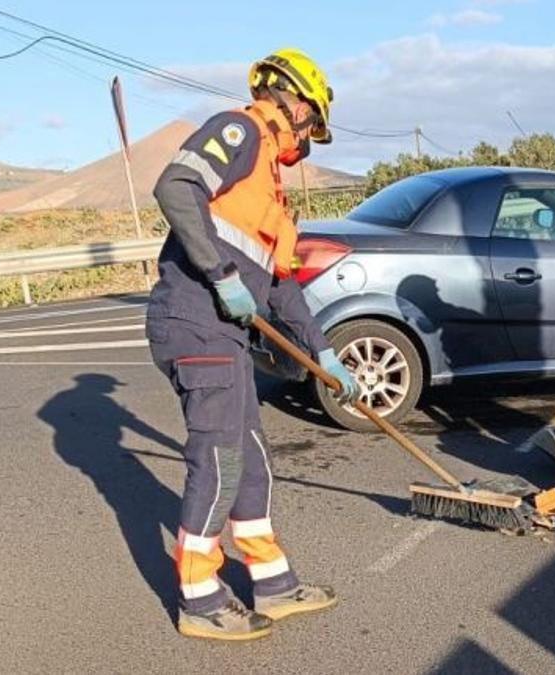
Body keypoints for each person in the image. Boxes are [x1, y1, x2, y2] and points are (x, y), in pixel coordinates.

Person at [145, 48, 359, 640]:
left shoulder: (272, 191)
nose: (308, 138)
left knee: (254, 462)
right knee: (220, 459)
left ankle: (274, 583)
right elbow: (176, 186)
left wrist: (324, 354)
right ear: (292, 101)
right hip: (193, 320)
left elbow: (284, 289)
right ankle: (199, 598)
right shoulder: (238, 130)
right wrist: (220, 273)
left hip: (227, 335)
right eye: (312, 123)